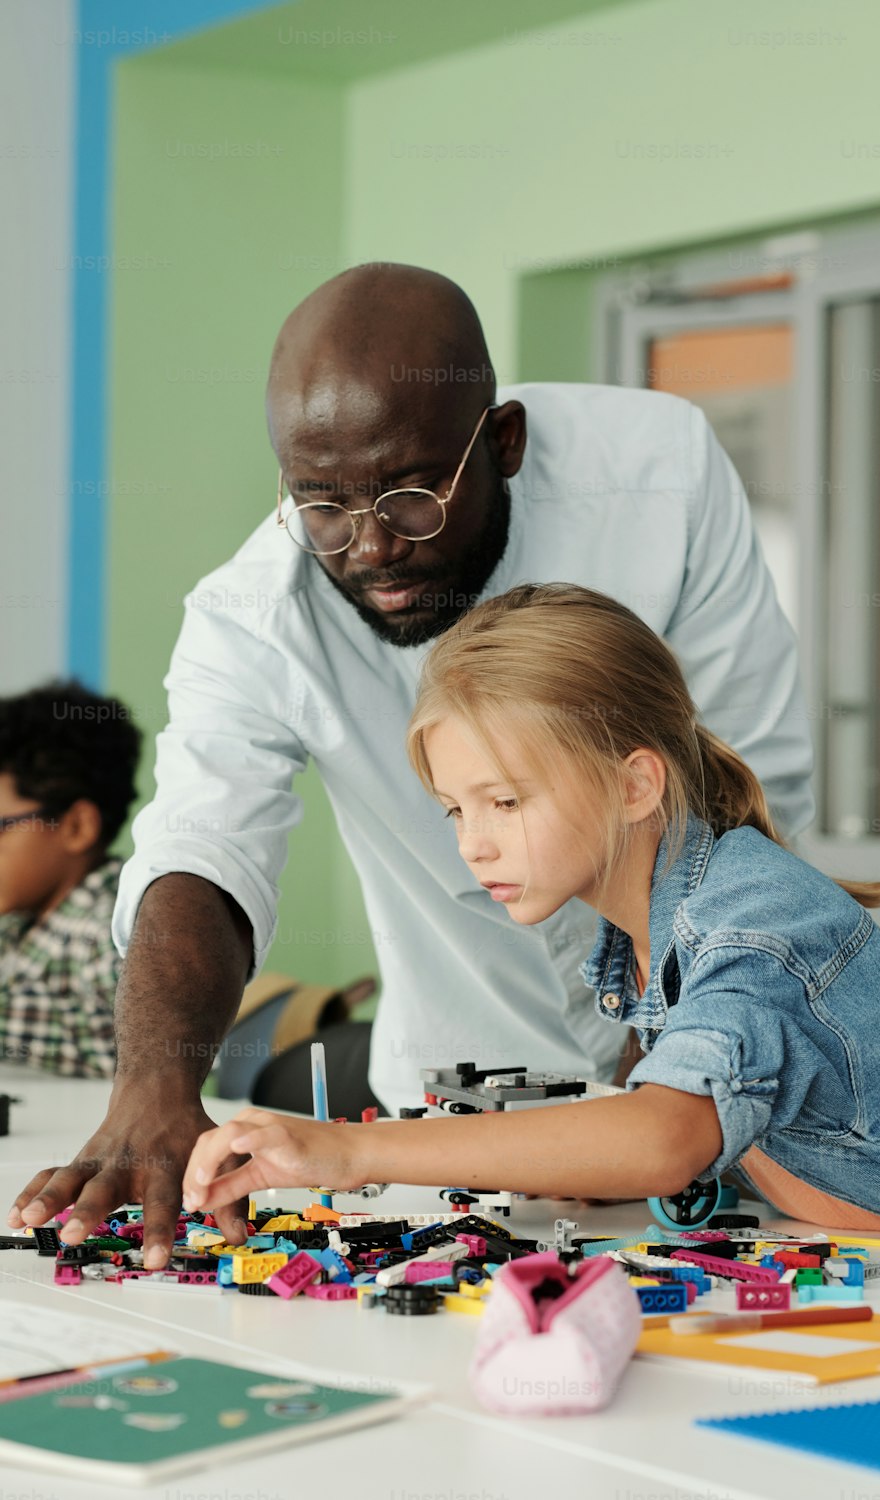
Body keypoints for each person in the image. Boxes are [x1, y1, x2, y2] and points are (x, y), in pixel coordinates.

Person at [10, 262, 814, 1266]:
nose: (372, 549)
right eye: (323, 507)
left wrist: (678, 1048)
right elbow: (202, 847)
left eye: (410, 497)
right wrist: (153, 1091)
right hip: (452, 1111)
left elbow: (748, 774)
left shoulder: (658, 478)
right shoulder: (251, 615)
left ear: (504, 443)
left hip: (713, 1091)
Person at [182, 584, 880, 1239]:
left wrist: (350, 1150)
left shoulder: (755, 927)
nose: (474, 846)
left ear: (635, 784)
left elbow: (663, 1140)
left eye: (504, 801)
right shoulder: (640, 930)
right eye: (456, 811)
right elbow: (705, 1138)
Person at [0, 681, 141, 1078]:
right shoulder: (17, 923)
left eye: (1, 826)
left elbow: (137, 1062)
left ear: (77, 826)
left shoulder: (117, 931)